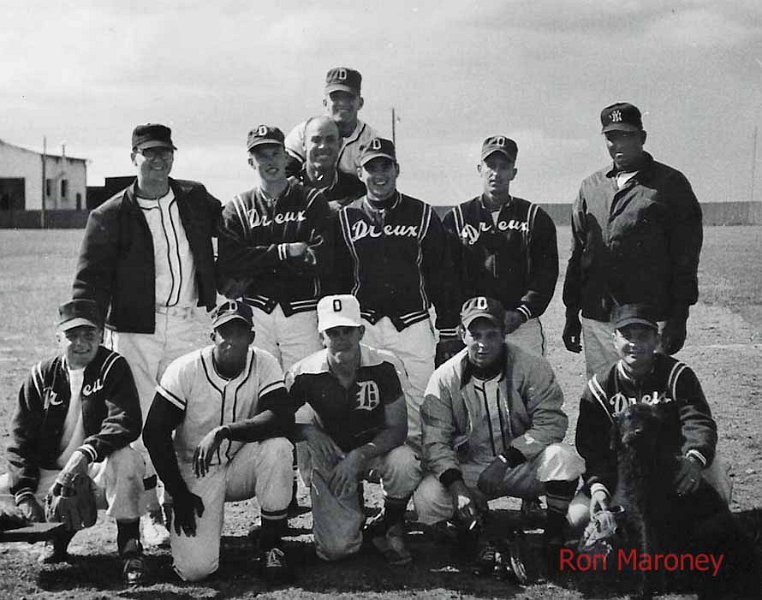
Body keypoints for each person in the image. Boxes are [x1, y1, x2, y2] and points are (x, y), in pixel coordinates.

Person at [72, 123, 221, 545]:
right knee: (137, 421)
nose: (158, 161)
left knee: (192, 412)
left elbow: (234, 228)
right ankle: (150, 508)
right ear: (133, 156)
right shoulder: (110, 213)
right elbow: (89, 280)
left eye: (165, 153)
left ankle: (186, 498)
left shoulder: (194, 197)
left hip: (189, 319)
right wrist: (88, 333)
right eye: (149, 154)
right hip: (136, 329)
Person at [414, 296, 585, 572]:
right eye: (475, 334)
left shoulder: (531, 365)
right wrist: (458, 487)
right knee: (428, 496)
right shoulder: (445, 377)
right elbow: (435, 442)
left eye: (491, 334)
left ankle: (553, 537)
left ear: (504, 333)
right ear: (462, 334)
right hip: (473, 467)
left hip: (522, 464)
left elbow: (551, 422)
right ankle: (470, 532)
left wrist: (506, 459)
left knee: (563, 458)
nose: (482, 343)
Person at [142, 300, 294, 583]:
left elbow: (282, 417)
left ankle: (271, 544)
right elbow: (154, 432)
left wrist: (225, 431)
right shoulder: (185, 369)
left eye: (239, 332)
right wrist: (179, 491)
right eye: (225, 332)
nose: (232, 341)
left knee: (278, 447)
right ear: (212, 336)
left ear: (251, 336)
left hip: (240, 464)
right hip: (195, 470)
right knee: (195, 570)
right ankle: (173, 504)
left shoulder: (264, 362)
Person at [1, 299, 146, 583]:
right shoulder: (41, 375)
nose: (80, 343)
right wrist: (26, 495)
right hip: (51, 476)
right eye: (72, 335)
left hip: (96, 473)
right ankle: (57, 537)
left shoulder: (113, 367)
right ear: (58, 338)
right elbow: (20, 442)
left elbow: (125, 421)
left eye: (89, 335)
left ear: (102, 336)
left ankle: (130, 545)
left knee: (128, 460)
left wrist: (86, 454)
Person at [331, 137, 461, 453]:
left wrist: (446, 330)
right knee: (364, 401)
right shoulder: (346, 218)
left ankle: (421, 474)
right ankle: (364, 472)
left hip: (413, 323)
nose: (379, 174)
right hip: (365, 324)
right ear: (360, 173)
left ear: (396, 169)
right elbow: (336, 279)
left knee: (421, 399)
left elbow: (442, 277)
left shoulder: (423, 214)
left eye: (385, 166)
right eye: (370, 167)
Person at [562, 102, 703, 378]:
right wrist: (571, 314)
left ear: (642, 137)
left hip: (647, 318)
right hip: (598, 317)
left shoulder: (670, 184)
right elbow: (578, 254)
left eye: (627, 136)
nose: (618, 145)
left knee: (647, 403)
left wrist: (679, 317)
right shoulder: (591, 186)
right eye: (612, 137)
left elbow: (685, 257)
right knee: (602, 397)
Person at [569, 303, 732, 530]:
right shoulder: (600, 387)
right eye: (627, 336)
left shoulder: (677, 375)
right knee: (578, 516)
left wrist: (694, 459)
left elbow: (698, 421)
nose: (635, 344)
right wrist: (598, 486)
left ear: (656, 340)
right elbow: (592, 446)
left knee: (715, 482)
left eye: (643, 336)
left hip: (675, 464)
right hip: (624, 471)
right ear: (614, 340)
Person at [286, 294, 421, 564]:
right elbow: (279, 422)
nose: (341, 339)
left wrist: (358, 456)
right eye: (333, 332)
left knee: (405, 461)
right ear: (321, 335)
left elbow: (398, 428)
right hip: (331, 456)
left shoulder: (385, 365)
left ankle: (389, 523)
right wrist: (309, 433)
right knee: (336, 550)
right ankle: (349, 511)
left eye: (347, 330)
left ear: (361, 331)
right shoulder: (302, 373)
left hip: (374, 451)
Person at [216, 124, 334, 372]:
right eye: (261, 155)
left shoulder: (312, 201)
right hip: (257, 312)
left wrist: (255, 260)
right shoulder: (237, 207)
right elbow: (230, 262)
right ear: (251, 161)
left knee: (305, 383)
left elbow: (320, 260)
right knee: (261, 384)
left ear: (285, 155)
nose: (269, 161)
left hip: (302, 312)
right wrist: (285, 251)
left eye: (274, 153)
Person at [444, 135, 558, 357]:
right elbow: (447, 276)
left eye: (504, 167)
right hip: (474, 326)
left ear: (513, 172)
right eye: (490, 166)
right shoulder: (457, 218)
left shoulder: (534, 217)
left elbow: (545, 274)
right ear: (479, 168)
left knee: (526, 386)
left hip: (520, 324)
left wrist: (522, 312)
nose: (496, 173)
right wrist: (463, 315)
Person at [285, 67, 378, 177]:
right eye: (336, 97)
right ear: (325, 102)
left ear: (360, 103)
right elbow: (285, 171)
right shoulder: (304, 132)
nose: (343, 103)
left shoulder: (371, 139)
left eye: (349, 97)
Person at [290, 116, 366, 212]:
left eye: (330, 140)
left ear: (339, 144)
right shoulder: (288, 188)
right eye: (316, 140)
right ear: (304, 144)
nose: (323, 146)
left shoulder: (356, 190)